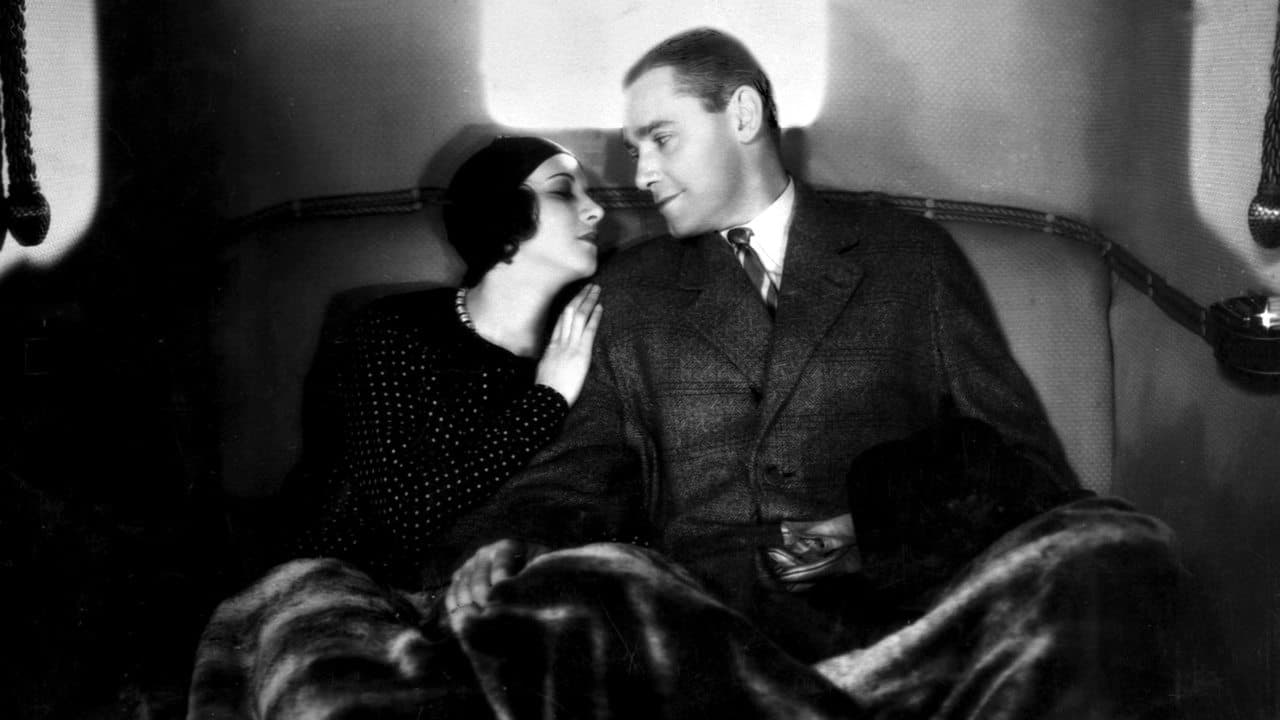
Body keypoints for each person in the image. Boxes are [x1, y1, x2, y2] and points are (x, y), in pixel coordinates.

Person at [439, 28, 1182, 718]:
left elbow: (1025, 468)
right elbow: (569, 480)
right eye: (636, 150)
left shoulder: (908, 258)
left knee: (1113, 545)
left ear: (742, 114)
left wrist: (876, 532)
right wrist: (510, 543)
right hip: (703, 633)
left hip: (901, 615)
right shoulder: (631, 291)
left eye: (661, 140)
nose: (641, 174)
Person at [288, 135, 606, 588]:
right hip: (349, 586)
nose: (597, 210)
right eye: (562, 191)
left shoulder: (579, 344)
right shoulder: (394, 327)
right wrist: (547, 399)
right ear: (501, 210)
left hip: (489, 589)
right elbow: (405, 513)